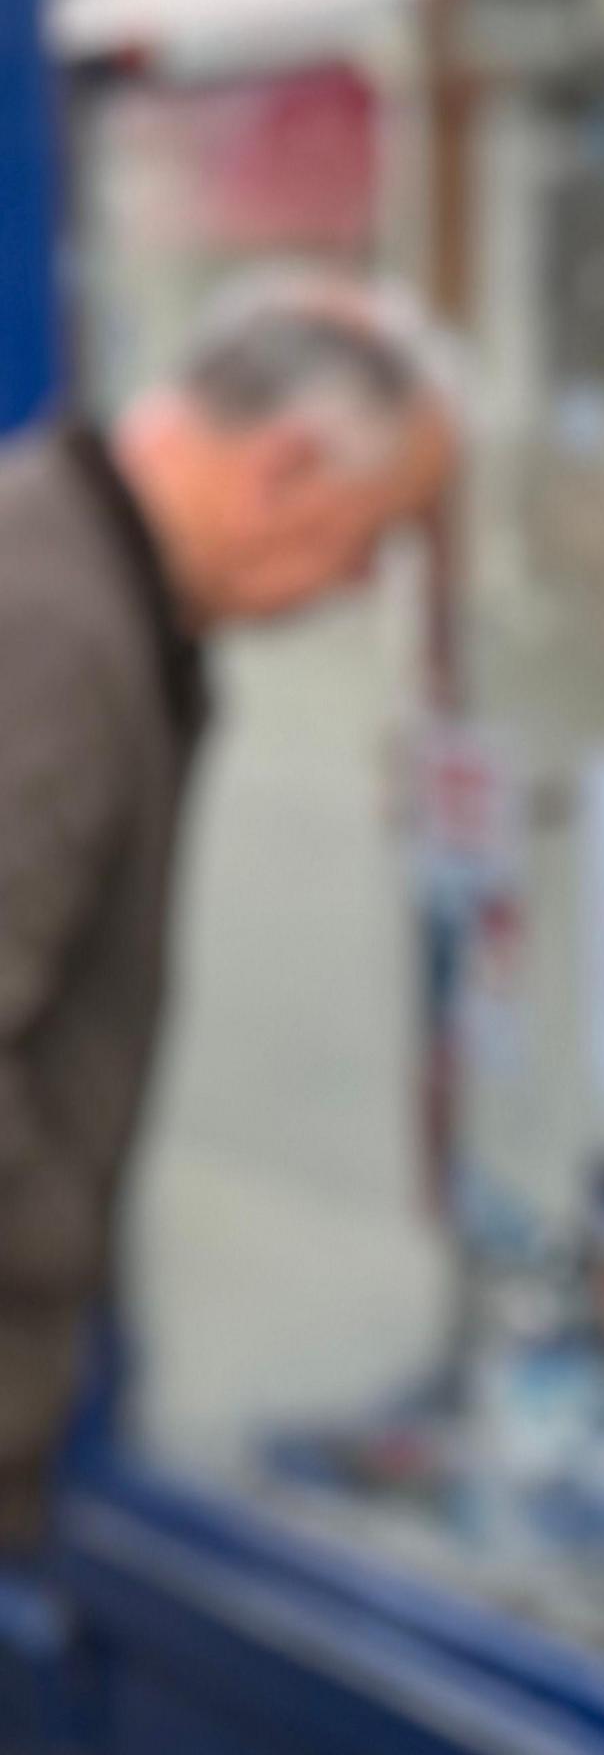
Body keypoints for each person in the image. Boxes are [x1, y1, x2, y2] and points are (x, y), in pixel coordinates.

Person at [0, 272, 458, 1550]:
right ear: (287, 468)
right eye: (378, 534)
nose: (365, 582)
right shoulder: (51, 626)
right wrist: (51, 1252)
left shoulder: (63, 559)